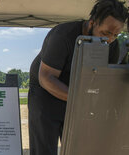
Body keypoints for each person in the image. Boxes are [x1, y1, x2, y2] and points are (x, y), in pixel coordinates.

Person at [28, 0, 128, 155]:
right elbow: (46, 77)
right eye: (106, 33)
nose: (110, 39)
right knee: (44, 148)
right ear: (92, 23)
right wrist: (82, 98)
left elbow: (104, 80)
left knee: (79, 146)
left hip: (78, 91)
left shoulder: (112, 45)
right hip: (45, 91)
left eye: (116, 35)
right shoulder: (63, 35)